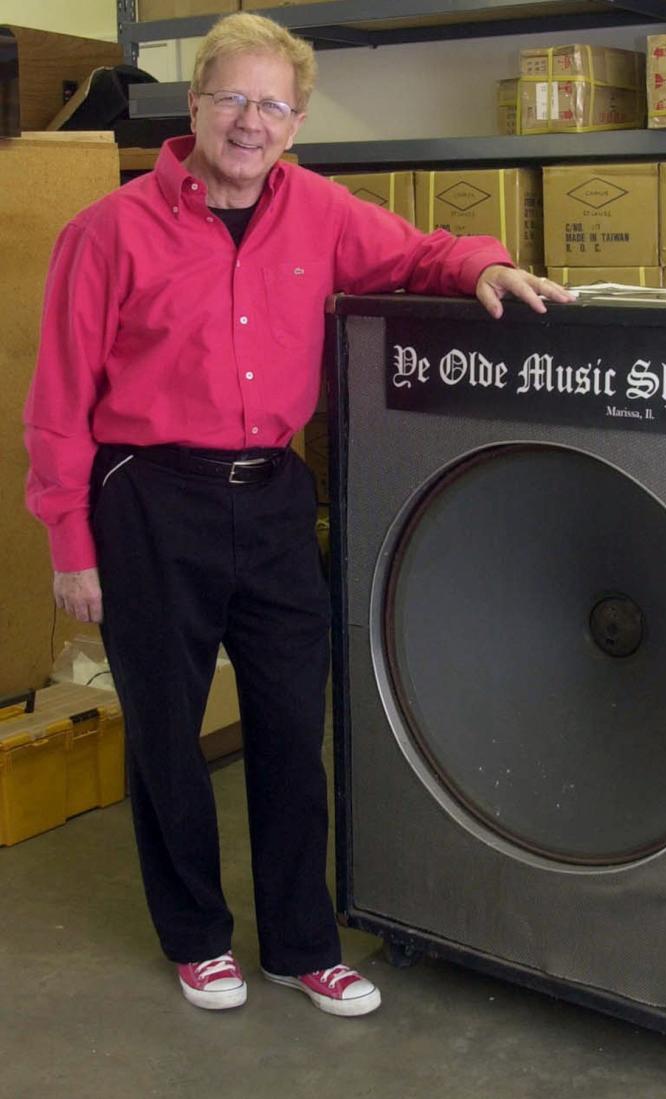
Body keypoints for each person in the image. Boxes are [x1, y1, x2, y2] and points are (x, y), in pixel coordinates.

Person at [23, 11, 572, 1017]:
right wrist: (71, 541)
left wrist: (485, 264)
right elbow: (58, 401)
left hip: (273, 496)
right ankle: (196, 938)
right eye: (231, 97)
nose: (249, 122)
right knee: (166, 736)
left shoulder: (321, 213)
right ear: (194, 107)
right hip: (149, 500)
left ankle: (299, 944)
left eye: (271, 104)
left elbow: (428, 253)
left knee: (289, 725)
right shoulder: (107, 232)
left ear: (296, 122)